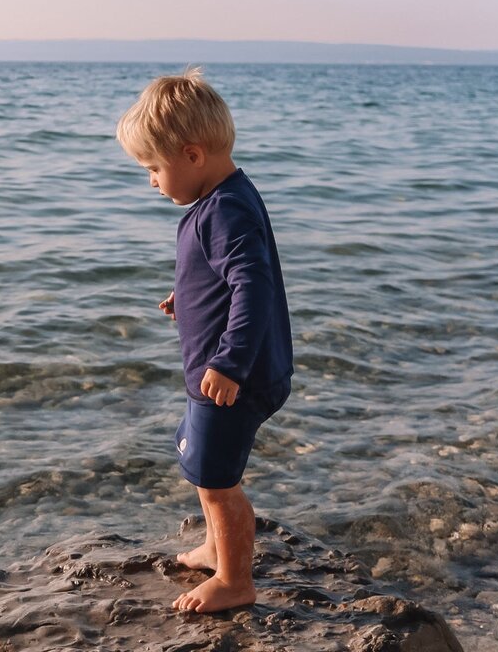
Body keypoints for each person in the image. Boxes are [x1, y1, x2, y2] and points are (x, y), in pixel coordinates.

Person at [116, 68, 293, 614]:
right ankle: (217, 547)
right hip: (219, 372)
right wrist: (187, 296)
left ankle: (236, 580)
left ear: (192, 155)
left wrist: (231, 362)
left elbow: (253, 285)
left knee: (218, 482)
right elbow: (223, 274)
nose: (151, 180)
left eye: (153, 168)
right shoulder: (220, 201)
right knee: (199, 461)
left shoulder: (226, 210)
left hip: (234, 375)